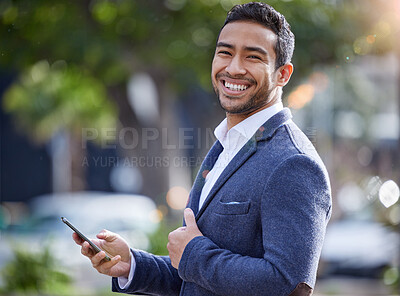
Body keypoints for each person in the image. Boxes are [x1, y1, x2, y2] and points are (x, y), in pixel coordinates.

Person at [73, 2, 332, 295]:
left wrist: (195, 254)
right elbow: (195, 277)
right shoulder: (225, 148)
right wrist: (131, 264)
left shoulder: (294, 163)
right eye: (225, 52)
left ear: (283, 74)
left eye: (253, 57)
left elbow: (288, 285)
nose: (233, 68)